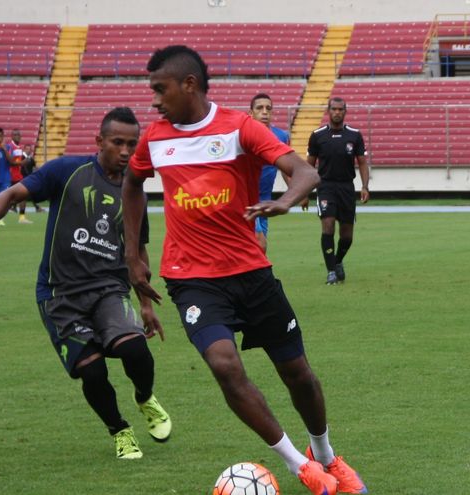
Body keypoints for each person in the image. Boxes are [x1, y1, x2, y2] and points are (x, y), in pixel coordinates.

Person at [122, 45, 367, 495]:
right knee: (224, 364)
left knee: (298, 373)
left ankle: (325, 454)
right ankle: (300, 467)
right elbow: (133, 183)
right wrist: (133, 254)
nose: (154, 101)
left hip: (250, 271)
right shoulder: (154, 138)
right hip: (191, 278)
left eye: (160, 89)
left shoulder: (239, 127)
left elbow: (305, 174)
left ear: (188, 85)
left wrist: (284, 201)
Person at [0, 107, 172, 459]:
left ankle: (144, 397)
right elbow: (11, 195)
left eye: (132, 144)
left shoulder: (134, 191)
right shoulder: (66, 171)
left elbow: (137, 250)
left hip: (109, 289)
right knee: (93, 371)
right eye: (117, 142)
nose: (125, 151)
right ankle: (120, 431)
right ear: (99, 141)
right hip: (59, 294)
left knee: (136, 349)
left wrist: (146, 305)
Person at [306, 97, 370, 285]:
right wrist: (304, 193)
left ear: (345, 111)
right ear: (328, 111)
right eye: (333, 109)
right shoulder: (317, 136)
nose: (337, 112)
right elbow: (309, 167)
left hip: (346, 187)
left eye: (340, 109)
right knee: (328, 225)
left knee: (347, 236)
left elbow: (362, 162)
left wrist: (365, 186)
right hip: (325, 186)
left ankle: (338, 260)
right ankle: (331, 272)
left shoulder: (354, 135)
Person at [249, 93, 292, 253]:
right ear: (251, 112)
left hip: (265, 200)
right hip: (246, 199)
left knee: (259, 249)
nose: (265, 112)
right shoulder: (242, 135)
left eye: (268, 108)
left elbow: (286, 167)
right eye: (259, 108)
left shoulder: (281, 136)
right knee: (260, 243)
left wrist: (296, 191)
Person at [5, 128, 32, 224]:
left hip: (18, 176)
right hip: (10, 176)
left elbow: (19, 162)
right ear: (12, 136)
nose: (18, 137)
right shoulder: (10, 147)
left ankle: (22, 218)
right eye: (16, 135)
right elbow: (10, 162)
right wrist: (22, 162)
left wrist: (24, 163)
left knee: (23, 195)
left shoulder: (20, 148)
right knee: (5, 198)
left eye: (19, 135)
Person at [19, 143, 47, 213]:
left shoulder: (30, 159)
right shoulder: (21, 158)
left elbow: (35, 167)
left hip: (28, 178)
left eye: (30, 149)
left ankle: (37, 207)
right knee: (26, 195)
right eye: (27, 149)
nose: (29, 150)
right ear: (24, 149)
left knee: (30, 194)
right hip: (22, 178)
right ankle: (36, 208)